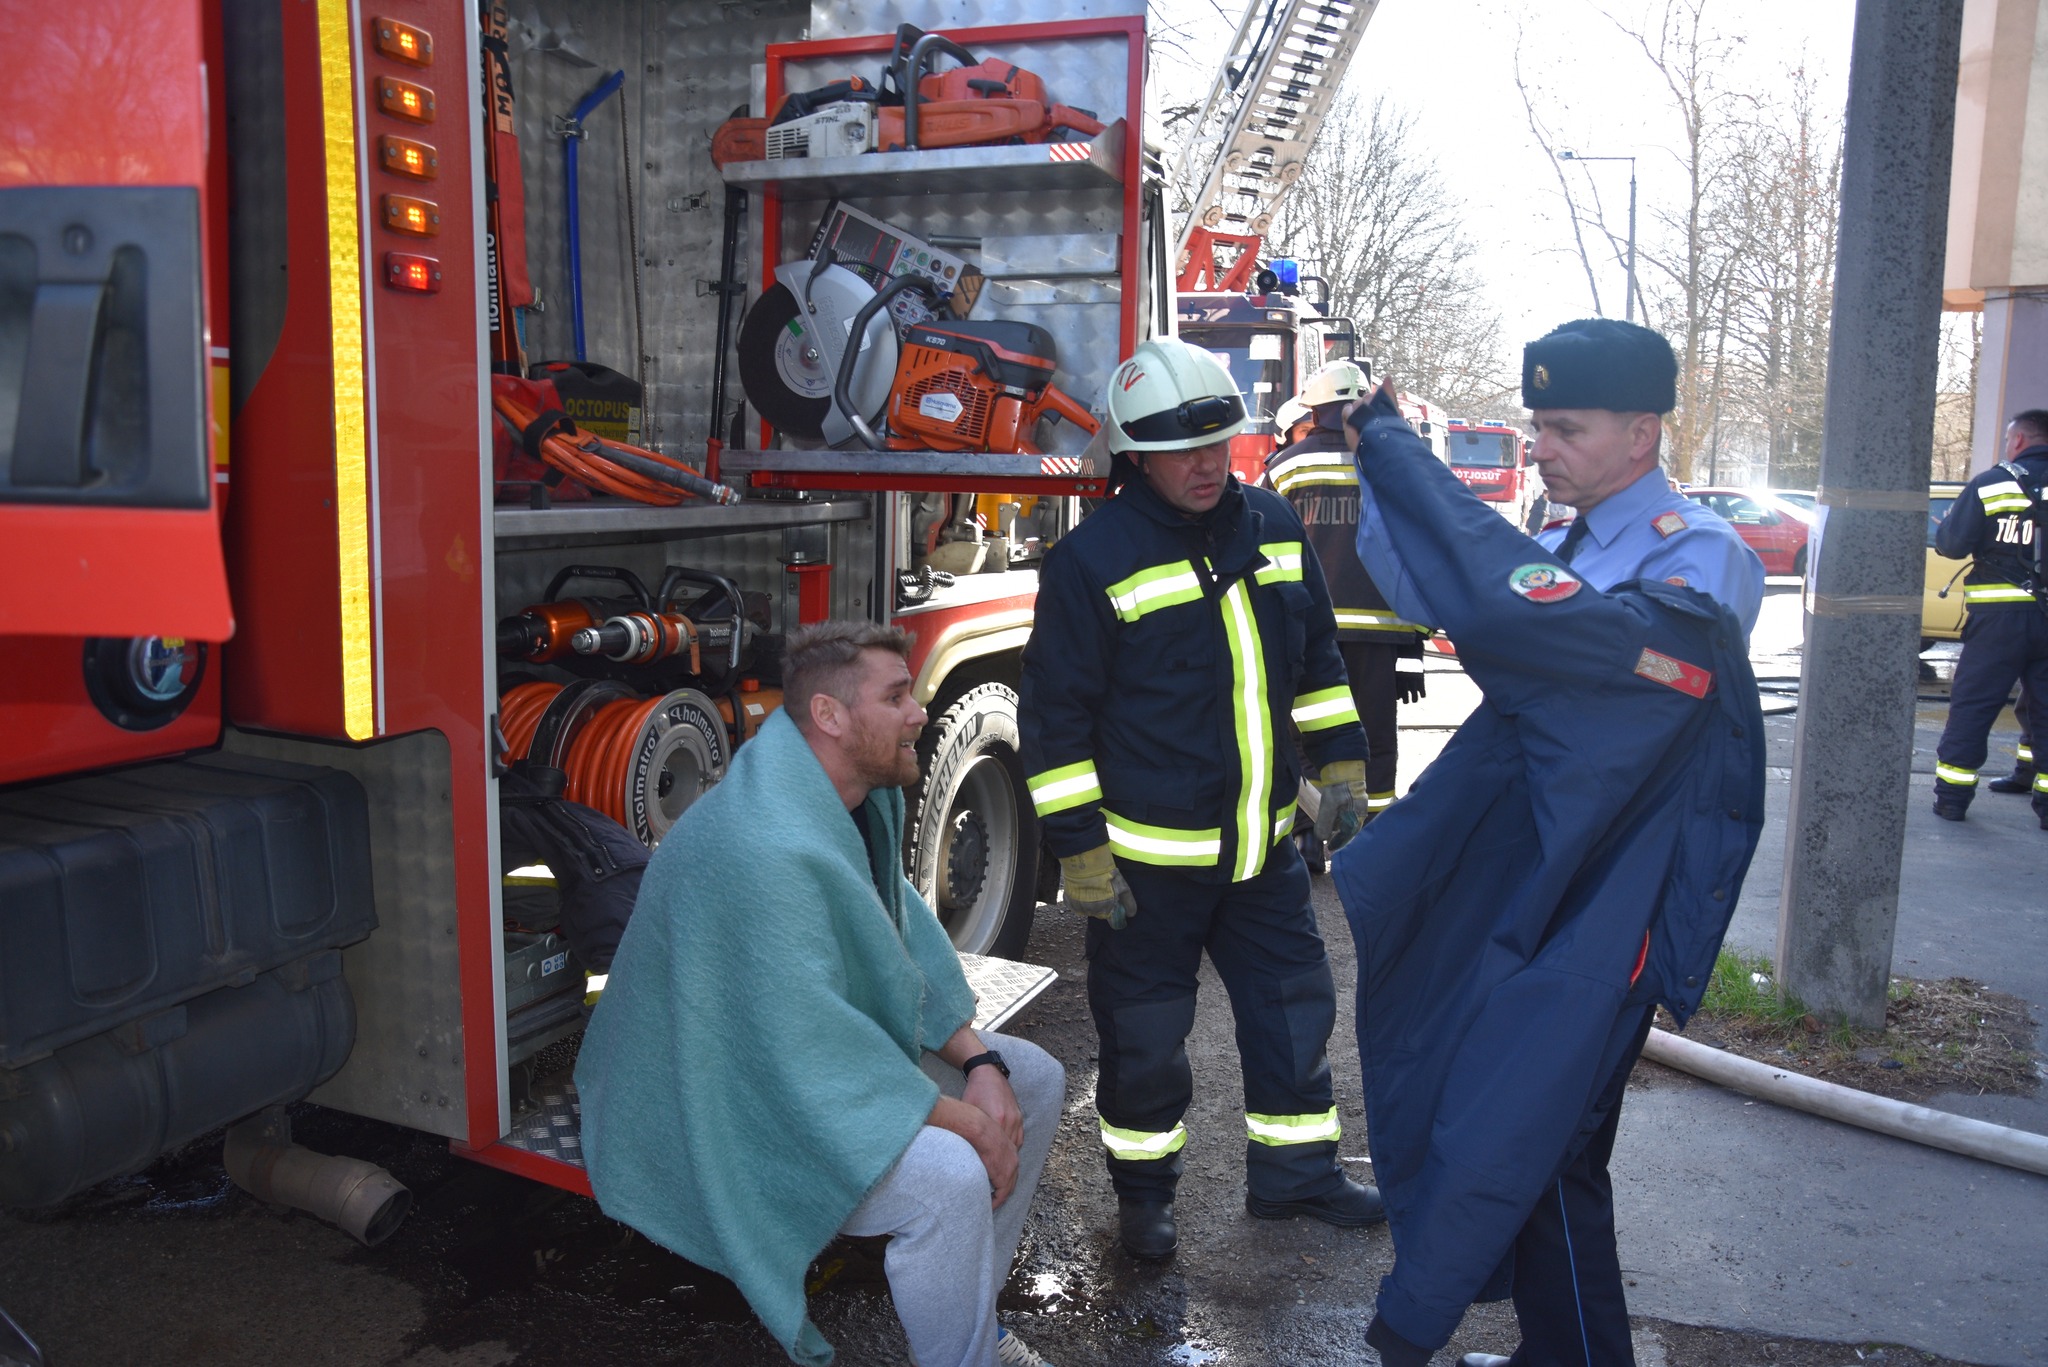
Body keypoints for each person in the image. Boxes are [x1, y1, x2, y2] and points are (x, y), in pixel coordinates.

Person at [1335, 320, 1767, 1367]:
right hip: (1545, 877)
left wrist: (1413, 473)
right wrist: (1379, 475)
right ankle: (1558, 1347)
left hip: (1613, 901)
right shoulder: (1568, 540)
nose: (1541, 449)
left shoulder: (1695, 557)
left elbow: (1561, 647)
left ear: (1640, 431)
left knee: (1546, 1142)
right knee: (1544, 1139)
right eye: (1535, 428)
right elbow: (1443, 594)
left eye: (1564, 428)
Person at [575, 621, 1065, 1367]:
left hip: (795, 1064)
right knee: (949, 1176)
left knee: (1034, 1076)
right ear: (831, 716)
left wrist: (982, 1064)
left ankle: (976, 1328)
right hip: (709, 1097)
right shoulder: (763, 842)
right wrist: (967, 1122)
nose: (919, 712)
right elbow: (807, 1052)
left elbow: (896, 939)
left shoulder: (845, 801)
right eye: (897, 695)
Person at [1018, 336, 1384, 1263]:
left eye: (1220, 442)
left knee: (1296, 1010)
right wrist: (1080, 851)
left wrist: (1343, 766)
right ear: (1134, 455)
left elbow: (1319, 668)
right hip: (1147, 870)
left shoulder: (1271, 526)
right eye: (1185, 450)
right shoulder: (1093, 562)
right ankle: (1145, 1202)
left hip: (1263, 855)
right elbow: (1056, 722)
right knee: (1144, 1046)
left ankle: (1296, 1174)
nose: (1209, 463)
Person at [1263, 361, 1432, 861]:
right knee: (1374, 738)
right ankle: (1371, 845)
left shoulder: (1286, 467)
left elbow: (1258, 545)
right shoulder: (1398, 465)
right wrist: (1414, 647)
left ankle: (1309, 838)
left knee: (1306, 735)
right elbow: (1420, 555)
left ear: (1312, 410)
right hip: (1382, 635)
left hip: (1307, 630)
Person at [1930, 410, 2048, 828]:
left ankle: (1952, 799)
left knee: (1974, 706)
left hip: (1998, 623)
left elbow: (1950, 546)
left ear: (2018, 441)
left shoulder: (1993, 482)